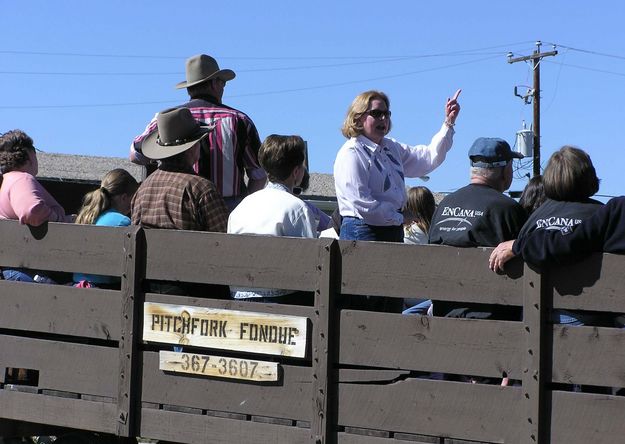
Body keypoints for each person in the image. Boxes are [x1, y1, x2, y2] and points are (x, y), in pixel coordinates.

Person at [130, 54, 267, 210]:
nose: (223, 87)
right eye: (222, 82)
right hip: (227, 207)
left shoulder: (167, 119)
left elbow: (135, 154)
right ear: (214, 84)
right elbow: (259, 174)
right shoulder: (240, 120)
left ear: (189, 87)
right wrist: (243, 208)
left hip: (178, 204)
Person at [334, 89, 460, 243]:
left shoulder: (391, 148)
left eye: (387, 114)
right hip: (362, 231)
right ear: (358, 118)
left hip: (392, 230)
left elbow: (427, 158)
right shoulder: (352, 152)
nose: (383, 118)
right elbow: (362, 204)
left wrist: (448, 122)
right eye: (376, 113)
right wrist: (398, 217)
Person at [131, 107, 229, 296]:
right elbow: (224, 244)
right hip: (195, 290)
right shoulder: (201, 188)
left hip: (148, 288)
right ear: (192, 148)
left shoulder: (143, 189)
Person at [429, 137, 527, 319]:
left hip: (443, 315)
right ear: (505, 170)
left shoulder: (444, 205)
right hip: (495, 320)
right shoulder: (508, 210)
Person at [227, 134, 316, 304]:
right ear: (296, 172)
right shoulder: (297, 208)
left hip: (239, 296)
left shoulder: (242, 207)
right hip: (281, 299)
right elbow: (309, 266)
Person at [0, 130, 73, 282]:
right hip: (22, 267)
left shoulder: (6, 180)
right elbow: (31, 211)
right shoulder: (22, 179)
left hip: (12, 266)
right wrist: (61, 219)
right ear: (29, 155)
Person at [73, 169, 139, 288]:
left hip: (78, 285)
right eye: (133, 198)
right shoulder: (123, 222)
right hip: (104, 289)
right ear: (124, 198)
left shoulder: (86, 217)